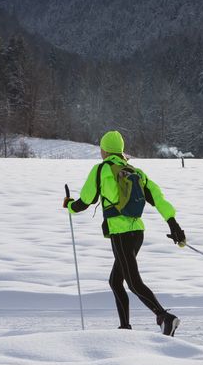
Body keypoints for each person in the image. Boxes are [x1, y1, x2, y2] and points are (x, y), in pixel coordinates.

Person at [64, 130, 187, 335]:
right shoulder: (135, 172)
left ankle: (164, 317)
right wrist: (173, 224)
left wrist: (69, 206)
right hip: (137, 232)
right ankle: (125, 328)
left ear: (104, 150)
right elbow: (158, 199)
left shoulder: (101, 169)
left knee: (132, 281)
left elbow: (84, 202)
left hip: (120, 234)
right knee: (115, 281)